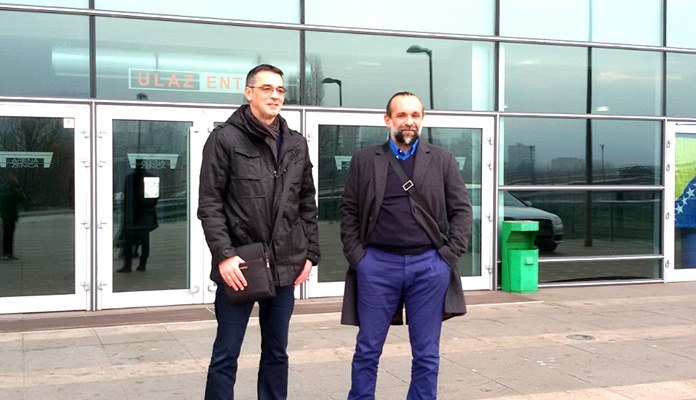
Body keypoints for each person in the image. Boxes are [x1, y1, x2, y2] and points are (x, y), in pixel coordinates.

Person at [198, 64, 320, 400]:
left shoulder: (296, 143)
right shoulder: (224, 139)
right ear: (249, 93)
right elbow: (209, 205)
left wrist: (311, 253)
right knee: (227, 353)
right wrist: (224, 256)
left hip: (285, 264)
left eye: (280, 90)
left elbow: (306, 202)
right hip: (240, 264)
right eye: (267, 88)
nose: (275, 95)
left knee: (277, 352)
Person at [340, 92, 472, 399]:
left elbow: (462, 211)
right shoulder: (364, 160)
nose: (408, 121)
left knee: (426, 354)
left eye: (415, 115)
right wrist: (359, 257)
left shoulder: (442, 160)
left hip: (428, 267)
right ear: (388, 121)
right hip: (376, 265)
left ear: (422, 121)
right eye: (401, 115)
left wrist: (448, 256)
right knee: (367, 349)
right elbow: (348, 210)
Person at [116, 160, 159, 273]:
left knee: (130, 241)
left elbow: (126, 199)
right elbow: (154, 199)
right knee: (142, 241)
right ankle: (141, 264)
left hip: (135, 215)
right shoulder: (150, 178)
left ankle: (129, 265)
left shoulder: (130, 178)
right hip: (144, 214)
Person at [1, 177, 26, 261]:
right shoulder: (4, 190)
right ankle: (5, 253)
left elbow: (24, 200)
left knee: (10, 235)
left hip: (12, 216)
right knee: (6, 235)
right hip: (6, 215)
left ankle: (10, 253)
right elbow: (3, 198)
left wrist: (21, 192)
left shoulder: (15, 193)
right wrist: (13, 193)